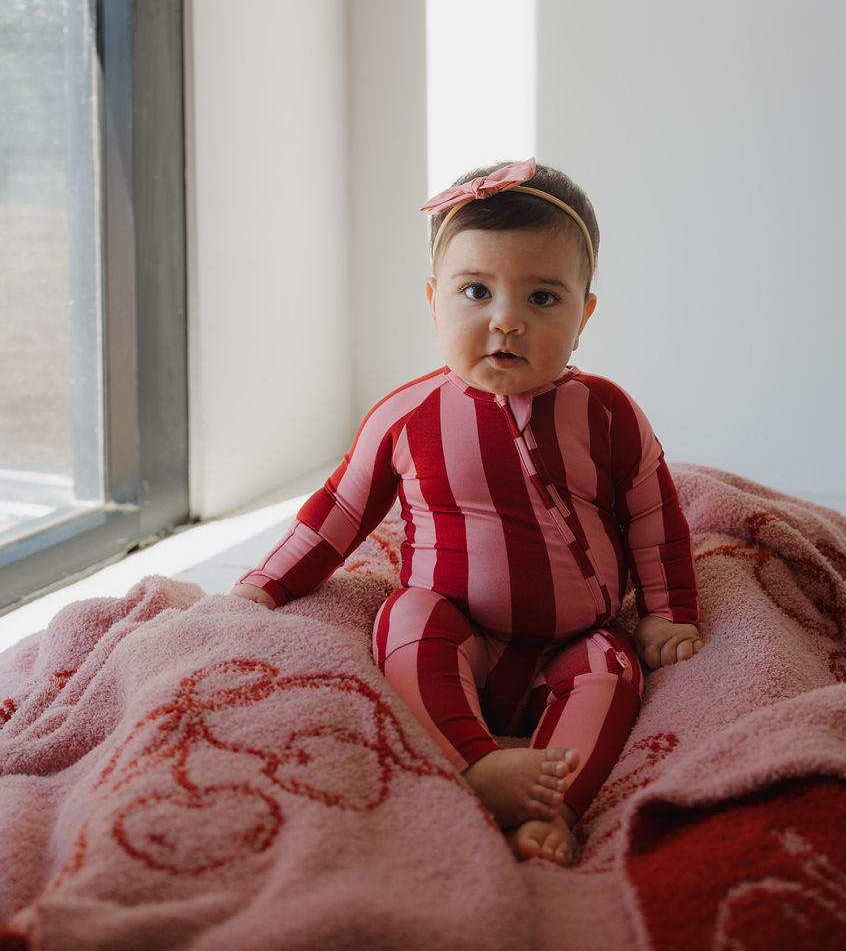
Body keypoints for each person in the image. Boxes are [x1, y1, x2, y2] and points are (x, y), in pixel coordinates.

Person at [231, 159, 702, 865]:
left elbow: (652, 510)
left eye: (543, 297)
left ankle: (554, 806)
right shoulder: (407, 414)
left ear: (585, 314)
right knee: (407, 619)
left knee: (614, 667)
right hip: (463, 632)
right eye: (476, 290)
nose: (506, 319)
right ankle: (475, 763)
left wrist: (668, 609)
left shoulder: (607, 413)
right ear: (433, 300)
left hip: (569, 643)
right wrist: (263, 585)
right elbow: (338, 511)